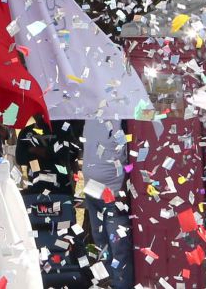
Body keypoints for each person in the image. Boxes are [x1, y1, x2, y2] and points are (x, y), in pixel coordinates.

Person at [82, 117, 133, 289]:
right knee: (101, 246)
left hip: (114, 193)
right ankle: (108, 284)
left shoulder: (122, 121)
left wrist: (125, 187)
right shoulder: (88, 116)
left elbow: (131, 157)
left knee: (118, 249)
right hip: (92, 192)